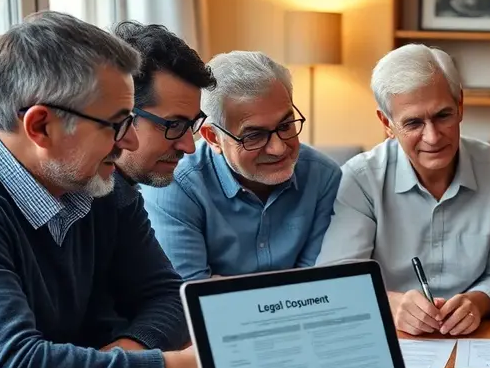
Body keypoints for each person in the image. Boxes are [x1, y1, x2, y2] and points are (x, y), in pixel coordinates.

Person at [0, 12, 200, 368]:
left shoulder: (98, 184)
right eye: (117, 123)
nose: (129, 142)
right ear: (41, 126)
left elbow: (166, 296)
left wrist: (124, 356)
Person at [316, 43, 490, 337]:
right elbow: (337, 281)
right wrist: (392, 304)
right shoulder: (361, 178)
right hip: (387, 331)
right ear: (387, 123)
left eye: (443, 116)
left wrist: (479, 302)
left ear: (460, 105)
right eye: (413, 122)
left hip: (477, 335)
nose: (433, 136)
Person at [141, 51, 342, 280]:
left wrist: (225, 286)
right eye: (254, 135)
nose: (278, 148)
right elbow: (191, 297)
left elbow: (318, 286)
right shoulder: (177, 186)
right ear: (213, 137)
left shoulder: (324, 177)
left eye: (286, 126)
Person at [111, 20, 216, 190]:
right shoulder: (74, 204)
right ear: (118, 118)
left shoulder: (125, 196)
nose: (189, 147)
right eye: (174, 125)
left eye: (192, 124)